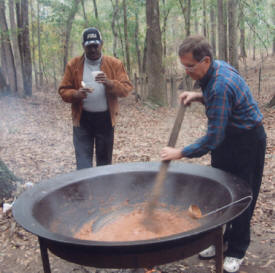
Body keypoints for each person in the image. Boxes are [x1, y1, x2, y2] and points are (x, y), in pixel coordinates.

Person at [161, 35, 266, 273]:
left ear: (206, 60)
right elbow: (219, 111)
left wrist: (179, 152)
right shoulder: (216, 69)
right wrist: (197, 96)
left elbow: (213, 139)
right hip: (228, 140)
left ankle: (236, 249)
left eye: (190, 66)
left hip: (247, 142)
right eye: (184, 65)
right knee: (221, 193)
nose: (186, 71)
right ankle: (219, 239)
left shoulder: (220, 85)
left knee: (241, 197)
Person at [58, 27, 133, 169]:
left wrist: (109, 83)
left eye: (95, 46)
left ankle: (102, 190)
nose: (93, 50)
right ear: (83, 46)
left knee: (104, 165)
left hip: (105, 120)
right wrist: (76, 94)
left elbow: (126, 89)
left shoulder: (114, 64)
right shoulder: (73, 65)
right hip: (82, 120)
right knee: (83, 163)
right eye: (89, 46)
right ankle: (86, 190)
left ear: (101, 44)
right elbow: (63, 90)